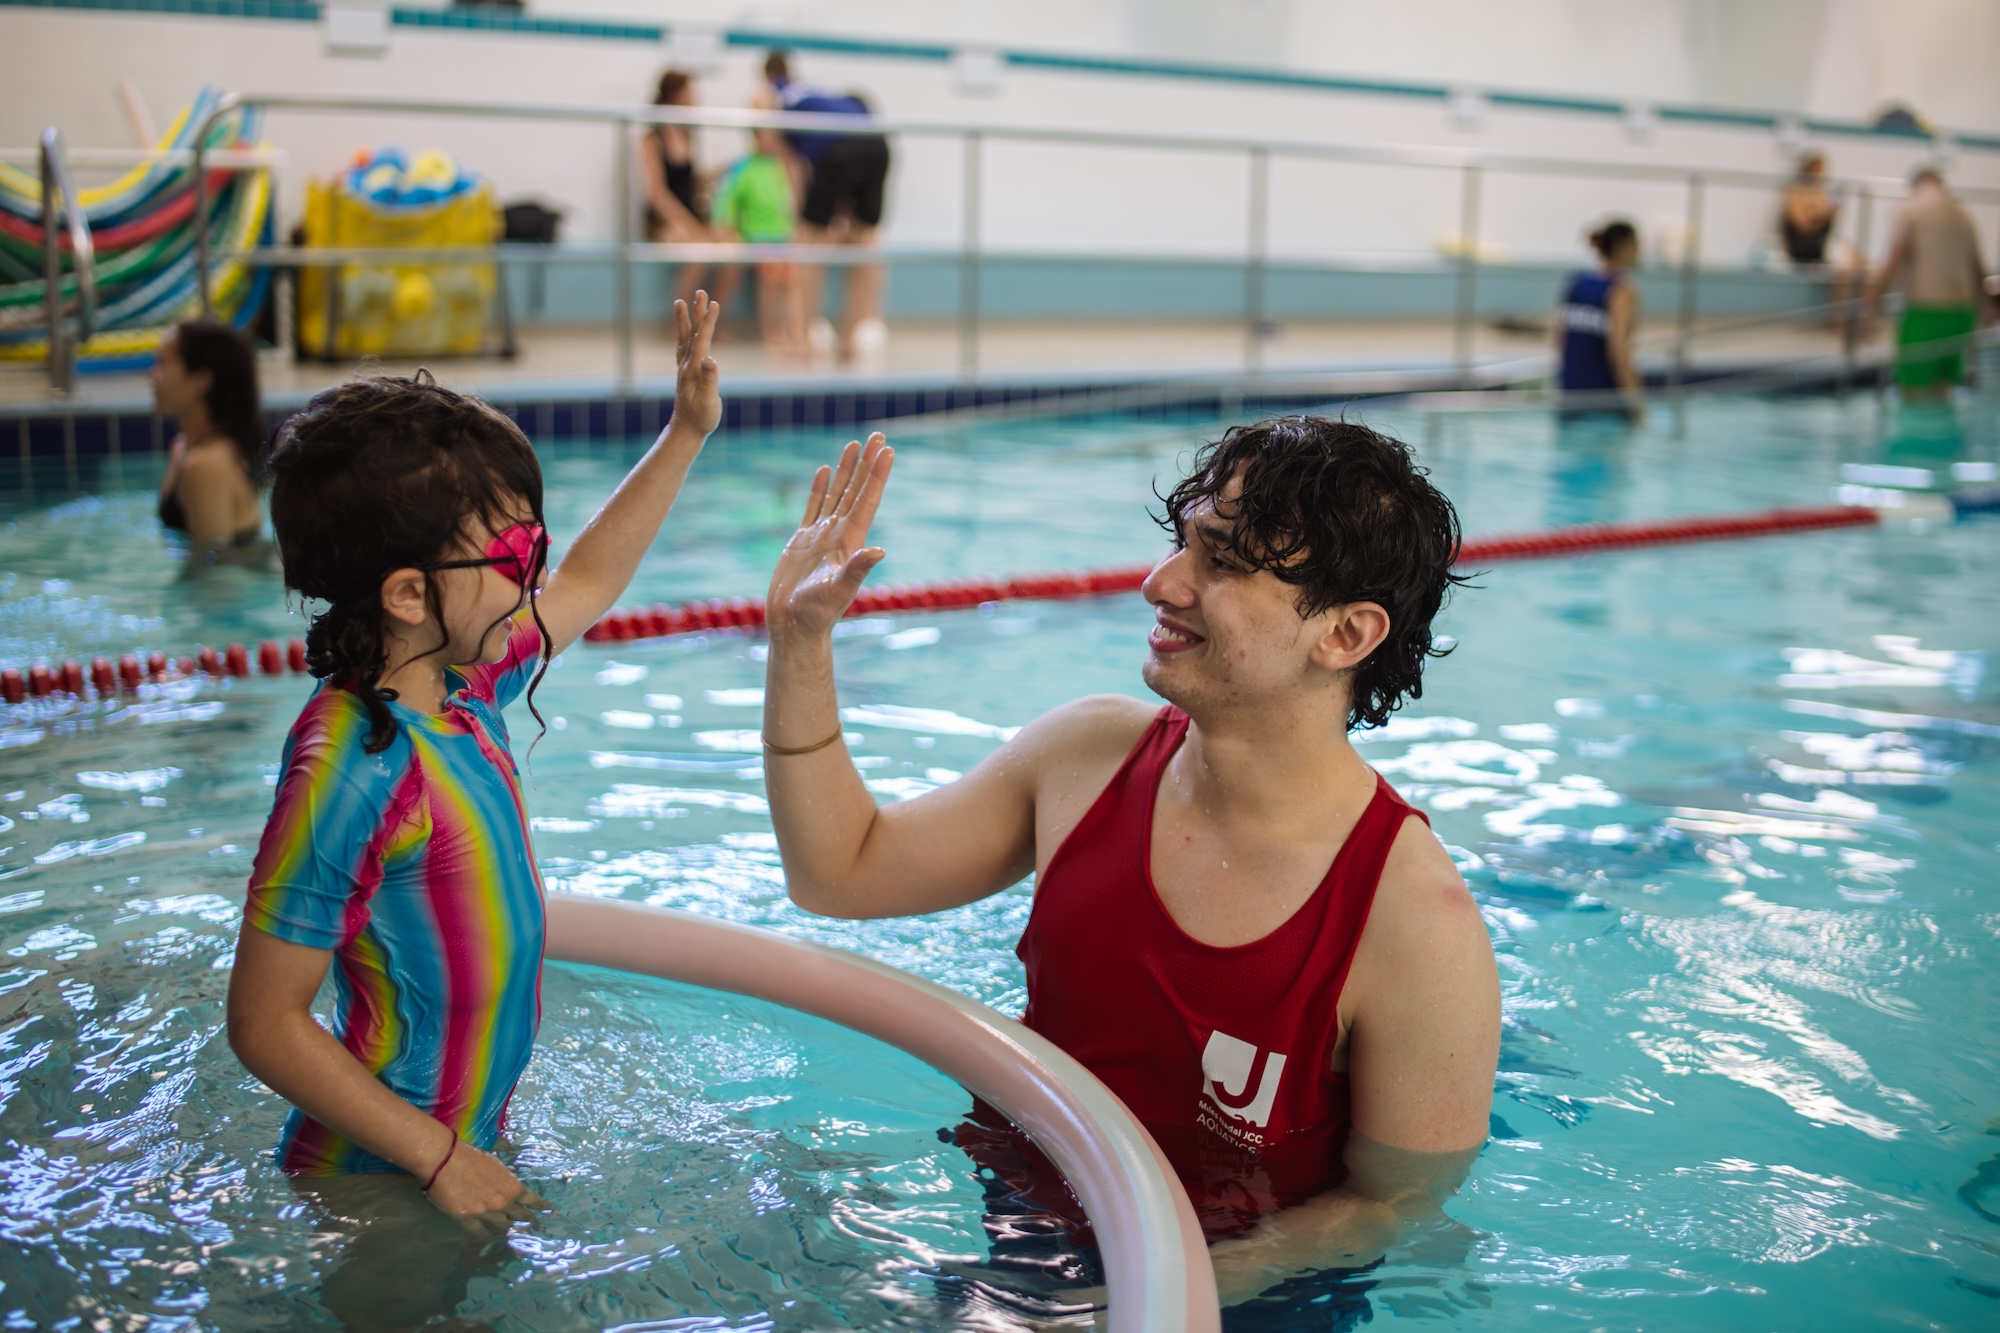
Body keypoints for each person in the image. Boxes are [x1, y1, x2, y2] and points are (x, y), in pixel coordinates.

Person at [758, 420, 1501, 1305]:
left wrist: (1157, 1293)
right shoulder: (1084, 759)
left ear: (1344, 634)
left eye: (1221, 562)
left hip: (1243, 1301)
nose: (1161, 582)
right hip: (1019, 1231)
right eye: (1181, 543)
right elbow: (840, 872)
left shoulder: (1412, 920)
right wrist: (799, 641)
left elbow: (1397, 1203)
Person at [225, 295, 722, 1218]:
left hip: (458, 1141)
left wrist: (685, 433)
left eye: (531, 542)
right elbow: (263, 1020)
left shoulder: (467, 686)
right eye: (512, 552)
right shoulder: (354, 759)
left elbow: (590, 579)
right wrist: (437, 1156)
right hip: (373, 1180)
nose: (534, 574)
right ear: (410, 592)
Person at [759, 51, 891, 364]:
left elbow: (790, 164)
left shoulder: (774, 101)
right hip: (878, 144)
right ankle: (849, 342)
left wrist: (802, 213)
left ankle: (801, 341)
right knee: (865, 242)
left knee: (809, 245)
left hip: (836, 148)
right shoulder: (818, 90)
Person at [1865, 167, 1994, 402]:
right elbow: (1977, 268)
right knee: (1943, 395)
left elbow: (1895, 259)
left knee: (1913, 396)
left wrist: (1871, 301)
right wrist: (1985, 309)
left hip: (1925, 313)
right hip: (1962, 315)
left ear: (1914, 187)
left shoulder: (1909, 210)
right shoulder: (1963, 214)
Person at [150, 320, 266, 560]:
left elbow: (218, 578)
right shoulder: (183, 447)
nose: (152, 375)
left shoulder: (205, 465)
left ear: (200, 380)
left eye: (163, 363)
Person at [710, 130, 806, 355]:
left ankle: (798, 334)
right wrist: (724, 226)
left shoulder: (782, 166)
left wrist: (795, 230)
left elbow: (791, 204)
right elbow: (725, 198)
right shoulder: (745, 166)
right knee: (771, 278)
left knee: (792, 280)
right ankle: (774, 334)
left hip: (780, 236)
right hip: (755, 235)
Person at [639, 70, 713, 310]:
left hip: (690, 213)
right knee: (698, 251)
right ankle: (680, 322)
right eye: (689, 91)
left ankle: (713, 320)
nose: (693, 97)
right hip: (664, 220)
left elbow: (691, 181)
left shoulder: (688, 135)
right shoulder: (652, 139)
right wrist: (687, 224)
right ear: (675, 95)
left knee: (730, 246)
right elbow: (657, 193)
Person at [1556, 220, 1643, 421]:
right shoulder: (1622, 291)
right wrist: (1636, 402)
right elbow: (1619, 350)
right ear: (1625, 247)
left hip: (1570, 392)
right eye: (1637, 244)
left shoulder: (1575, 281)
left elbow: (1560, 338)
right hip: (1604, 398)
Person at [1779, 151, 1857, 325]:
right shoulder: (1795, 191)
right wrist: (1823, 214)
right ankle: (1838, 320)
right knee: (1844, 269)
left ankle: (1858, 319)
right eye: (1816, 170)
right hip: (1804, 247)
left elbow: (1830, 218)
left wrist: (1830, 212)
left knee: (1859, 263)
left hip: (1821, 242)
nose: (1819, 175)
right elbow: (1802, 225)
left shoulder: (1821, 192)